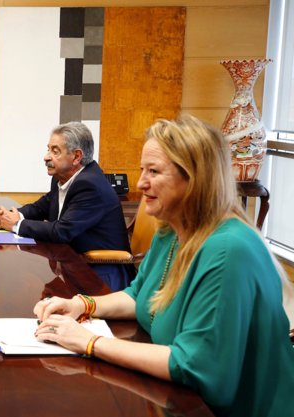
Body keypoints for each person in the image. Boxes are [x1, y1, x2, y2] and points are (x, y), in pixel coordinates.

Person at [33, 116, 294, 417]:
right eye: (143, 169)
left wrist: (89, 342)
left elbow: (195, 366)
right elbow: (138, 295)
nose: (141, 182)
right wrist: (81, 304)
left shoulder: (229, 250)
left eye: (153, 171)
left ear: (195, 179)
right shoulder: (172, 229)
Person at [0, 122, 133, 291]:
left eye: (55, 151)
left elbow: (62, 231)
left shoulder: (90, 186)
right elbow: (40, 208)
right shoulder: (63, 178)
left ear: (76, 157)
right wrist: (10, 216)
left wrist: (16, 224)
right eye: (48, 149)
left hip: (101, 273)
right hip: (74, 264)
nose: (46, 157)